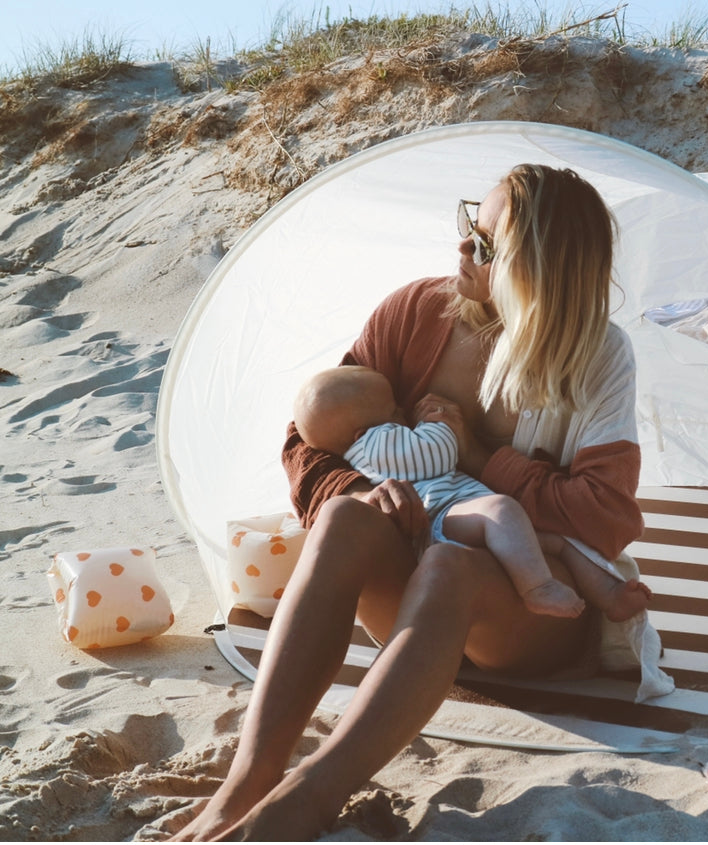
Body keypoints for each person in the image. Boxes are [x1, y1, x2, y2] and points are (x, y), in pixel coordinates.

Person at [174, 164, 654, 841]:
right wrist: (367, 490)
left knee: (450, 566)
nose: (461, 249)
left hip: (523, 615)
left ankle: (311, 797)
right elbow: (306, 439)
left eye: (485, 246)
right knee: (343, 515)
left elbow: (602, 517)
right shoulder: (414, 313)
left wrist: (478, 457)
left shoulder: (598, 356)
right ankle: (250, 778)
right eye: (468, 226)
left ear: (534, 274)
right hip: (410, 590)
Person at [291, 364, 652, 620]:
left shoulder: (374, 435)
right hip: (441, 517)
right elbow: (435, 453)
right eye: (392, 409)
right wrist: (440, 425)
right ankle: (537, 588)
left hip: (460, 516)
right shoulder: (373, 445)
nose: (402, 409)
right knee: (502, 510)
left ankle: (610, 594)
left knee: (557, 540)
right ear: (359, 430)